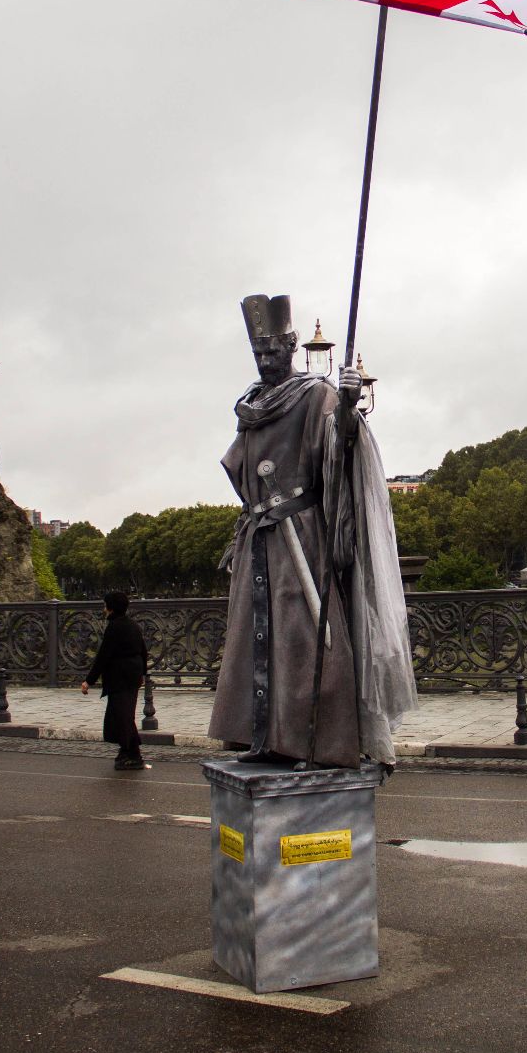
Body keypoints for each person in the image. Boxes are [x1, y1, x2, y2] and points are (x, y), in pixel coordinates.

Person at [208, 293, 417, 770]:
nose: (264, 362)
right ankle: (258, 737)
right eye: (257, 354)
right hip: (259, 541)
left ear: (291, 347)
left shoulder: (315, 395)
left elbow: (337, 454)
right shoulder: (252, 405)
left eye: (272, 353)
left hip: (300, 540)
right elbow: (239, 468)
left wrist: (346, 409)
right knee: (255, 640)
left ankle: (313, 742)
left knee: (306, 643)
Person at [81, 590, 149, 770]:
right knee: (123, 714)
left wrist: (89, 681)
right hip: (133, 674)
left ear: (111, 608)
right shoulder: (133, 625)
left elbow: (103, 656)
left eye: (105, 606)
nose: (104, 609)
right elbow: (143, 651)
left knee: (121, 715)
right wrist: (143, 673)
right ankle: (126, 750)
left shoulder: (114, 627)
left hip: (120, 676)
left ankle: (133, 754)